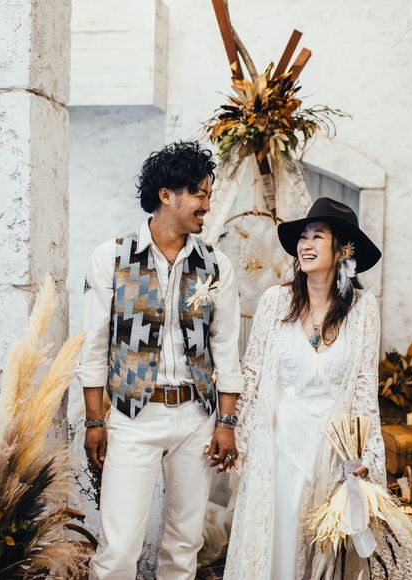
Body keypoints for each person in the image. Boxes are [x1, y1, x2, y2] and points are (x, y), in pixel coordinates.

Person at [76, 141, 242, 579]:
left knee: (185, 546)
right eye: (199, 194)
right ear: (166, 194)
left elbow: (226, 348)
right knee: (119, 548)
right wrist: (94, 421)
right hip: (132, 416)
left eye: (209, 194)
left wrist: (226, 423)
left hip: (196, 418)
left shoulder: (216, 265)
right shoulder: (112, 257)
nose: (207, 205)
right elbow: (93, 345)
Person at [224, 197, 387, 580]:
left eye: (318, 236)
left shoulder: (363, 309)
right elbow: (252, 375)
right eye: (303, 236)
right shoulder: (275, 301)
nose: (306, 244)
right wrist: (235, 435)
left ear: (343, 250)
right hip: (277, 449)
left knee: (320, 551)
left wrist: (364, 454)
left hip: (329, 453)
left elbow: (365, 387)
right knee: (275, 547)